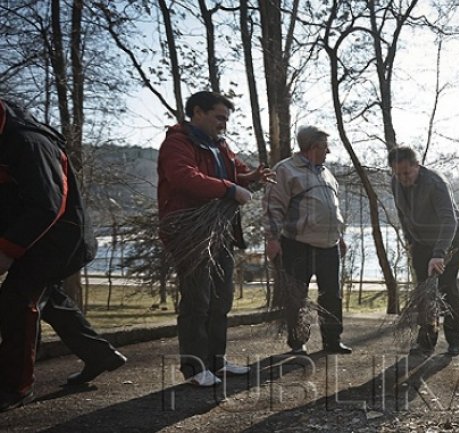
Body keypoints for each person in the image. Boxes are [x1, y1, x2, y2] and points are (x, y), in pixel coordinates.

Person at [0, 99, 126, 411]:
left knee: (16, 299)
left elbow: (48, 204)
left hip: (61, 238)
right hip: (40, 238)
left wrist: (6, 251)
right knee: (49, 298)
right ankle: (99, 354)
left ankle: (15, 386)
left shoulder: (28, 142)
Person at [157, 91, 273, 386]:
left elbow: (238, 172)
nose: (224, 124)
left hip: (221, 232)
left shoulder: (220, 145)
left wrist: (252, 177)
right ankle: (195, 369)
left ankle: (216, 363)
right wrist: (230, 189)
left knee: (221, 299)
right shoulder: (178, 142)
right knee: (197, 300)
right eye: (219, 117)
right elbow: (183, 176)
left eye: (226, 119)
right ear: (197, 112)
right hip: (190, 233)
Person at [262, 125, 351, 356]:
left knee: (331, 295)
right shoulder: (285, 170)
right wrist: (272, 239)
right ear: (312, 147)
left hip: (329, 246)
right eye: (324, 146)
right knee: (296, 297)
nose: (328, 151)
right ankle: (298, 343)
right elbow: (273, 206)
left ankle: (333, 340)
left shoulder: (326, 173)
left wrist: (339, 238)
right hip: (298, 244)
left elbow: (333, 209)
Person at [389, 146, 459, 356]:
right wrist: (409, 240)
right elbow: (402, 214)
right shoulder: (395, 182)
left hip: (449, 237)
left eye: (406, 172)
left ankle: (454, 339)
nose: (402, 178)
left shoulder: (435, 183)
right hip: (421, 240)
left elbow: (449, 221)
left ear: (417, 166)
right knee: (423, 290)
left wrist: (439, 254)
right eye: (397, 173)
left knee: (446, 287)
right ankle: (426, 339)